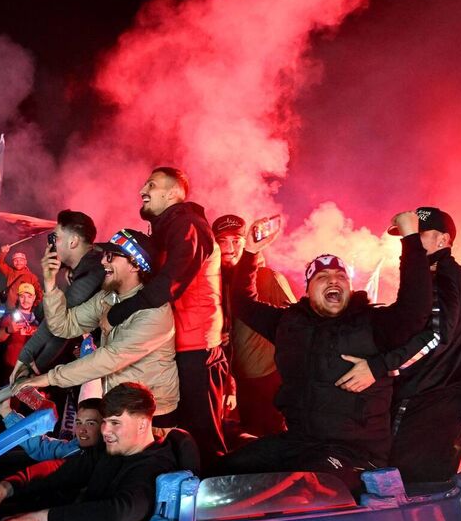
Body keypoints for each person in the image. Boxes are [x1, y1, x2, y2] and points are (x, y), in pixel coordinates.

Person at [214, 211, 432, 487]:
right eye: (322, 277)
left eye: (340, 277)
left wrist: (411, 240)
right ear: (308, 289)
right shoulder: (289, 324)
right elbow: (243, 303)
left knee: (305, 484)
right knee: (224, 469)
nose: (333, 280)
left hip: (355, 454)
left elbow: (416, 311)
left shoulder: (372, 324)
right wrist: (251, 252)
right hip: (299, 442)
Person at [342, 208, 461, 482]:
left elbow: (435, 337)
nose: (411, 243)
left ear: (443, 240)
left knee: (400, 484)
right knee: (427, 487)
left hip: (425, 403)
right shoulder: (460, 277)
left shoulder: (442, 275)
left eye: (418, 236)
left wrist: (379, 367)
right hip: (443, 401)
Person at [107, 167, 227, 467]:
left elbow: (172, 280)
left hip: (196, 346)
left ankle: (215, 498)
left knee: (202, 434)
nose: (141, 190)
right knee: (179, 432)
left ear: (173, 193)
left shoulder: (188, 224)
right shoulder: (167, 228)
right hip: (176, 344)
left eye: (152, 184)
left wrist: (122, 311)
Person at [0, 383, 181, 521]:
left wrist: (42, 518)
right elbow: (60, 470)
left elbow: (115, 516)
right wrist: (4, 489)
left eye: (115, 423)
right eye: (104, 422)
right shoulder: (111, 451)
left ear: (142, 424)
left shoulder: (153, 468)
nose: (105, 430)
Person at [14, 229, 179, 418]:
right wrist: (50, 282)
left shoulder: (155, 312)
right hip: (120, 408)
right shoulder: (108, 298)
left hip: (153, 415)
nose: (102, 262)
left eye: (111, 256)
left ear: (135, 264)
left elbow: (110, 358)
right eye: (103, 256)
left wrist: (48, 378)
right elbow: (64, 325)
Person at [212, 214, 295, 437]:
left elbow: (298, 326)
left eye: (236, 241)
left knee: (274, 438)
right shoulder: (216, 284)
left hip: (269, 379)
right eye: (222, 241)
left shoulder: (269, 277)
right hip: (237, 382)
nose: (229, 248)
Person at [12, 210, 104, 381]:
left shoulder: (94, 270)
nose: (51, 245)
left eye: (55, 238)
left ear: (73, 241)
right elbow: (43, 315)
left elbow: (58, 323)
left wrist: (27, 358)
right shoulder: (86, 265)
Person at [0, 396, 104, 462]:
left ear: (105, 426)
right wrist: (6, 412)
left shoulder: (106, 460)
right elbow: (41, 447)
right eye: (79, 423)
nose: (81, 430)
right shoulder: (74, 448)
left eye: (90, 423)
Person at [0, 282, 39, 372]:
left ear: (34, 298)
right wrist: (8, 330)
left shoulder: (36, 321)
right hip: (12, 367)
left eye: (29, 297)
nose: (26, 300)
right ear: (18, 297)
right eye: (22, 296)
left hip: (31, 369)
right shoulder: (10, 318)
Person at [0, 243, 43, 307]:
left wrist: (32, 306)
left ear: (25, 262)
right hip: (10, 307)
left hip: (23, 308)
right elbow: (0, 263)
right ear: (12, 262)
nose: (18, 262)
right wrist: (3, 253)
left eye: (21, 260)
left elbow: (39, 294)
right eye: (16, 260)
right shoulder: (9, 271)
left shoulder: (32, 277)